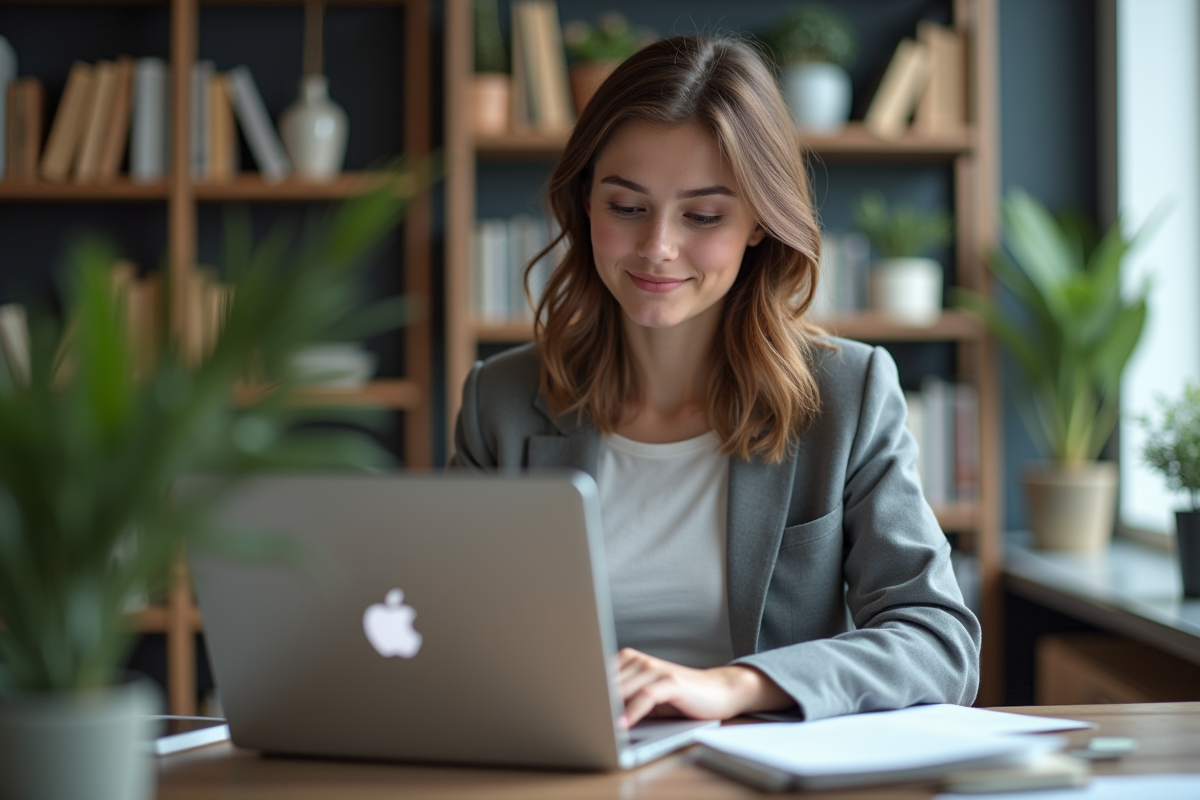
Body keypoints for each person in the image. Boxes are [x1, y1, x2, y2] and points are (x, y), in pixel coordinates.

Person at [451, 34, 980, 725]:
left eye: (702, 215)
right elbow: (447, 630)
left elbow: (939, 642)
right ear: (584, 202)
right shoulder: (503, 401)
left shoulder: (847, 395)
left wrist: (733, 686)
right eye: (626, 207)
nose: (657, 247)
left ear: (759, 221)